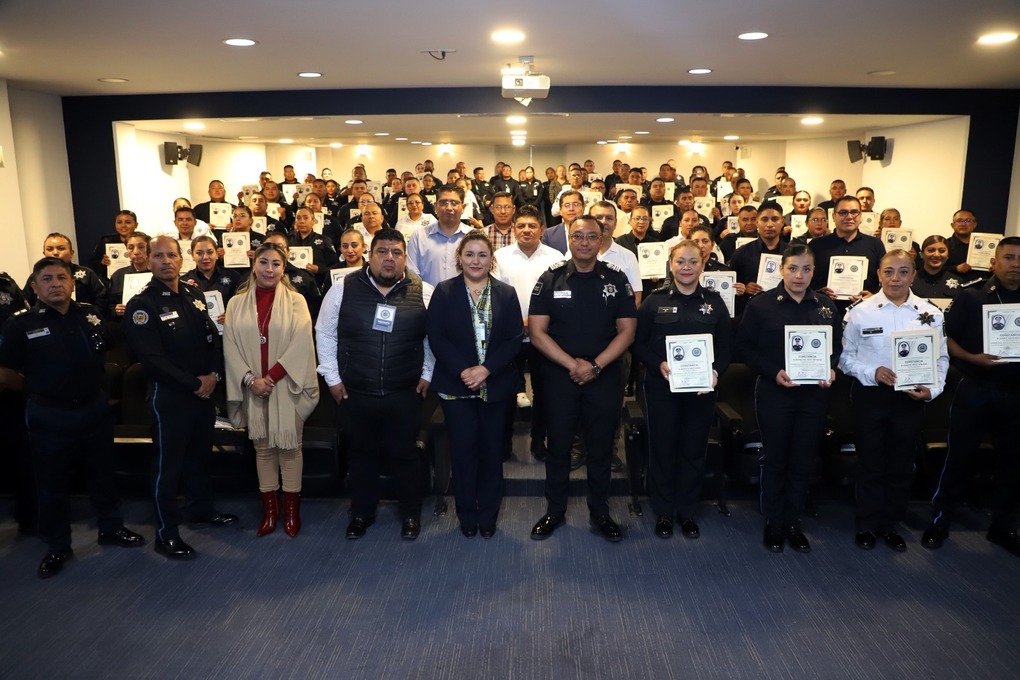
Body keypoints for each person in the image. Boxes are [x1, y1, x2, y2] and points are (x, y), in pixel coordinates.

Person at [0, 257, 145, 578]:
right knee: (52, 484)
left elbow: (105, 352)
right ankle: (57, 545)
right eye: (47, 279)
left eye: (62, 277)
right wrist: (40, 390)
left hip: (93, 409)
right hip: (49, 414)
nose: (56, 284)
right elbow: (6, 374)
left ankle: (111, 527)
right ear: (35, 286)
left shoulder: (90, 314)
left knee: (103, 475)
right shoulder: (19, 324)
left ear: (72, 282)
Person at [315, 228, 435, 540]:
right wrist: (332, 377)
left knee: (406, 456)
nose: (389, 258)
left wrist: (427, 373)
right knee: (361, 455)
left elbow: (432, 339)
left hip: (404, 391)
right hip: (355, 392)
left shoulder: (424, 291)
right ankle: (362, 513)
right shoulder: (343, 289)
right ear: (370, 254)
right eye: (382, 251)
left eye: (396, 253)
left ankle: (410, 514)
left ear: (405, 258)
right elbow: (325, 332)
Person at [123, 236, 237, 560]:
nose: (166, 261)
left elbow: (213, 339)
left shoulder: (194, 294)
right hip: (170, 398)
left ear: (181, 258)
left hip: (202, 395)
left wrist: (214, 376)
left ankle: (202, 510)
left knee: (200, 459)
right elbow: (152, 359)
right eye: (158, 255)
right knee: (167, 468)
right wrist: (194, 383)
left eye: (171, 255)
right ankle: (166, 532)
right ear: (148, 259)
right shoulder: (142, 305)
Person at [528, 215, 637, 542]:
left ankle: (600, 512)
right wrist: (572, 364)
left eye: (592, 236)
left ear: (601, 238)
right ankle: (555, 511)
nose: (585, 242)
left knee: (600, 447)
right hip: (560, 378)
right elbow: (536, 332)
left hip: (603, 376)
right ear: (569, 240)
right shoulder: (550, 278)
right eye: (578, 236)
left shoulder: (617, 280)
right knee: (558, 446)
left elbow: (627, 331)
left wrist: (596, 366)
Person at [839, 250, 949, 551]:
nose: (895, 278)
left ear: (913, 275)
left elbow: (940, 358)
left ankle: (890, 524)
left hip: (909, 400)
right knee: (870, 463)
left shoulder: (930, 313)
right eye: (889, 271)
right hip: (870, 397)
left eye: (903, 272)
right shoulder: (861, 312)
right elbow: (845, 360)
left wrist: (933, 390)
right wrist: (872, 371)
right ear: (878, 274)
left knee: (901, 465)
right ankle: (866, 523)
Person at [737, 243, 841, 553]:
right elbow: (744, 349)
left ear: (814, 272)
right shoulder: (761, 305)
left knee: (802, 459)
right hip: (775, 392)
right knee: (775, 459)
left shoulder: (825, 307)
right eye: (793, 268)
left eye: (806, 269)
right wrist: (773, 372)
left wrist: (832, 369)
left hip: (814, 396)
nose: (799, 275)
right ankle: (773, 521)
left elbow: (836, 349)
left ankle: (793, 521)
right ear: (781, 269)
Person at [922, 236, 1020, 557]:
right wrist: (972, 358)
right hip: (976, 385)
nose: (1015, 264)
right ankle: (941, 519)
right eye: (1008, 258)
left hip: (1015, 392)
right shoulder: (971, 295)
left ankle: (1003, 525)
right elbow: (944, 337)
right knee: (958, 456)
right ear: (994, 262)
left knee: (1012, 462)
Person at [427, 232, 523, 538]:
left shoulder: (506, 293)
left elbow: (513, 340)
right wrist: (463, 371)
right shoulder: (444, 292)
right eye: (469, 254)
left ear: (491, 259)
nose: (476, 261)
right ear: (460, 259)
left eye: (482, 255)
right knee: (464, 453)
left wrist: (486, 370)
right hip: (456, 387)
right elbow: (437, 337)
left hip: (495, 386)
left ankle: (488, 516)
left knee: (492, 454)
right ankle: (466, 515)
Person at [634, 240, 732, 539]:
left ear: (703, 264)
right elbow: (637, 344)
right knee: (663, 449)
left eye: (693, 262)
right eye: (680, 262)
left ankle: (687, 512)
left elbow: (727, 347)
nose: (686, 267)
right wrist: (658, 364)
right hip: (662, 389)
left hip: (701, 391)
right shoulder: (654, 301)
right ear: (671, 264)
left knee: (693, 451)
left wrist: (715, 372)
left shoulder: (715, 302)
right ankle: (663, 511)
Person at [224, 243, 319, 538]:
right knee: (263, 450)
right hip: (255, 387)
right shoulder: (236, 303)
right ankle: (269, 512)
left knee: (290, 448)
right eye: (263, 262)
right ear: (254, 264)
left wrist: (273, 377)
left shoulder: (296, 301)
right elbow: (230, 345)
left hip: (285, 386)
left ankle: (291, 512)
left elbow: (302, 342)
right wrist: (252, 379)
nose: (269, 269)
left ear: (284, 267)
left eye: (276, 264)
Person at [22, 232, 107, 310]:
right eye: (50, 249)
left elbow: (102, 299)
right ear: (44, 253)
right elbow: (26, 303)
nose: (55, 253)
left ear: (71, 253)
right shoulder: (36, 276)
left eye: (61, 248)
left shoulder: (87, 274)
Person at [406, 184, 471, 286]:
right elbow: (412, 274)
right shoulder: (419, 236)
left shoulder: (473, 237)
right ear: (435, 206)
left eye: (454, 203)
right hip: (427, 300)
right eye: (443, 202)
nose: (449, 207)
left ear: (463, 207)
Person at [107, 231, 152, 319]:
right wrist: (115, 310)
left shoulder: (159, 273)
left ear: (149, 249)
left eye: (141, 247)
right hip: (126, 322)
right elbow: (109, 305)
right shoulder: (118, 275)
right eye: (131, 247)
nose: (136, 252)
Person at [912, 235, 967, 301]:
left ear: (948, 255)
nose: (936, 255)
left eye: (942, 251)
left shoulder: (958, 282)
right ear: (922, 254)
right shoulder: (910, 281)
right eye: (931, 250)